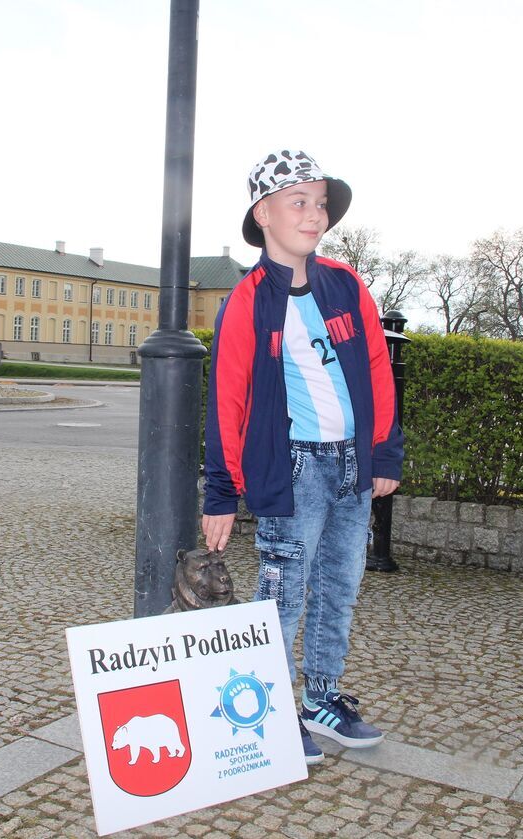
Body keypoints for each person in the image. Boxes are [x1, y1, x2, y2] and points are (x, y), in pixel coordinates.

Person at [201, 150, 404, 765]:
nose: (314, 214)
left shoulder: (345, 284)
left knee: (340, 587)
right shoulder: (247, 301)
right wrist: (221, 494)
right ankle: (265, 711)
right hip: (294, 472)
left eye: (320, 203)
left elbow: (375, 366)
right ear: (264, 213)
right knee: (282, 596)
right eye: (299, 202)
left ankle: (321, 698)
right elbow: (226, 401)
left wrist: (384, 452)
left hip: (352, 466)